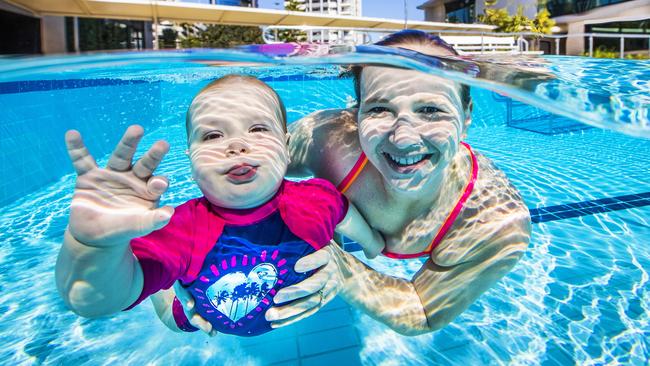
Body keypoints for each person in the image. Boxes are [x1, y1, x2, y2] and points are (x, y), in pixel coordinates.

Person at [160, 30, 532, 336]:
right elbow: (233, 177)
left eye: (431, 110)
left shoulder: (493, 221)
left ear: (466, 116)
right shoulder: (329, 139)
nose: (403, 139)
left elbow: (422, 310)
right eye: (379, 109)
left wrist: (342, 270)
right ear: (356, 112)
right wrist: (171, 260)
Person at [55, 75, 383, 337]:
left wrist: (372, 244)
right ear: (190, 159)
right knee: (170, 304)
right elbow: (92, 301)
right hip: (195, 315)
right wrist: (90, 245)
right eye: (212, 136)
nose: (236, 145)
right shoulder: (178, 229)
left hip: (276, 303)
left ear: (286, 147)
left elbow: (344, 214)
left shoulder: (316, 198)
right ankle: (164, 284)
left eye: (257, 129)